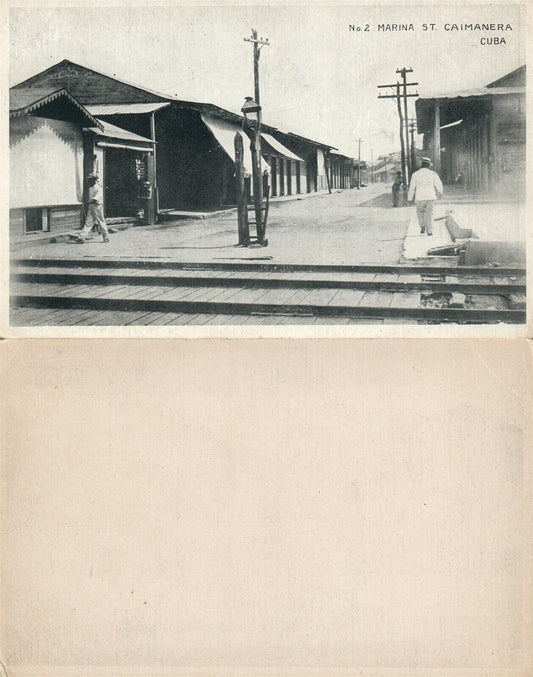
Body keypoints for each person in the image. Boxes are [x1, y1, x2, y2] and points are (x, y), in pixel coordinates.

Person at [407, 157, 443, 236]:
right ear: (429, 165)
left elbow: (412, 187)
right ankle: (429, 231)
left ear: (421, 165)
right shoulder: (433, 174)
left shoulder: (415, 174)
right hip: (430, 196)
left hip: (419, 197)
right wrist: (440, 193)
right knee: (429, 213)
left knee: (420, 212)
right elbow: (439, 184)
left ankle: (422, 226)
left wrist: (410, 198)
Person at [75, 172, 109, 243]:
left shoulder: (98, 188)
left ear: (94, 180)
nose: (89, 181)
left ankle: (106, 237)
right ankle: (81, 237)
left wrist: (88, 202)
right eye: (89, 180)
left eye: (90, 180)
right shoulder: (90, 188)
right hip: (91, 207)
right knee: (88, 222)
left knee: (101, 222)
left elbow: (95, 199)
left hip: (97, 207)